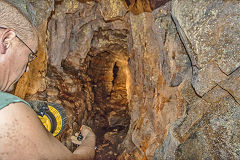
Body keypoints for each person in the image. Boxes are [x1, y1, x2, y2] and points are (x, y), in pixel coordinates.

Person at [0, 0, 96, 159]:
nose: (27, 68)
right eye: (30, 55)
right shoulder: (7, 114)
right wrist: (90, 141)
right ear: (7, 40)